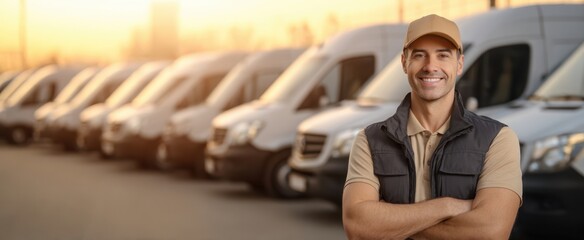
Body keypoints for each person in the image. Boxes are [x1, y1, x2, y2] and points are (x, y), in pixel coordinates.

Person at [342, 14, 522, 239]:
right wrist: (446, 207)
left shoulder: (498, 138)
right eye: (419, 55)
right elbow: (358, 227)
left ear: (459, 64)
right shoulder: (370, 140)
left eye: (443, 55)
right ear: (404, 63)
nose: (430, 66)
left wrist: (389, 225)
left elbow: (491, 232)